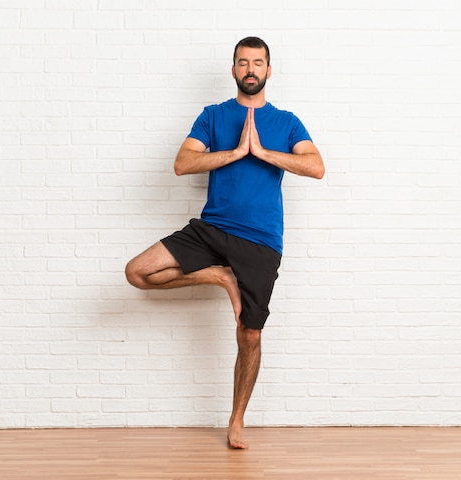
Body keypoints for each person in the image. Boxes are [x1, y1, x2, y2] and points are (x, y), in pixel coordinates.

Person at [125, 36, 325, 449]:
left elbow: (316, 167)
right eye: (242, 62)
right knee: (137, 273)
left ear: (269, 71)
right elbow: (183, 163)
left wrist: (264, 153)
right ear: (233, 70)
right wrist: (235, 152)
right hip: (212, 229)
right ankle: (218, 276)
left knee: (249, 334)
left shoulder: (287, 122)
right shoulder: (213, 116)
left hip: (261, 241)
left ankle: (236, 421)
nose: (250, 69)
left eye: (258, 63)